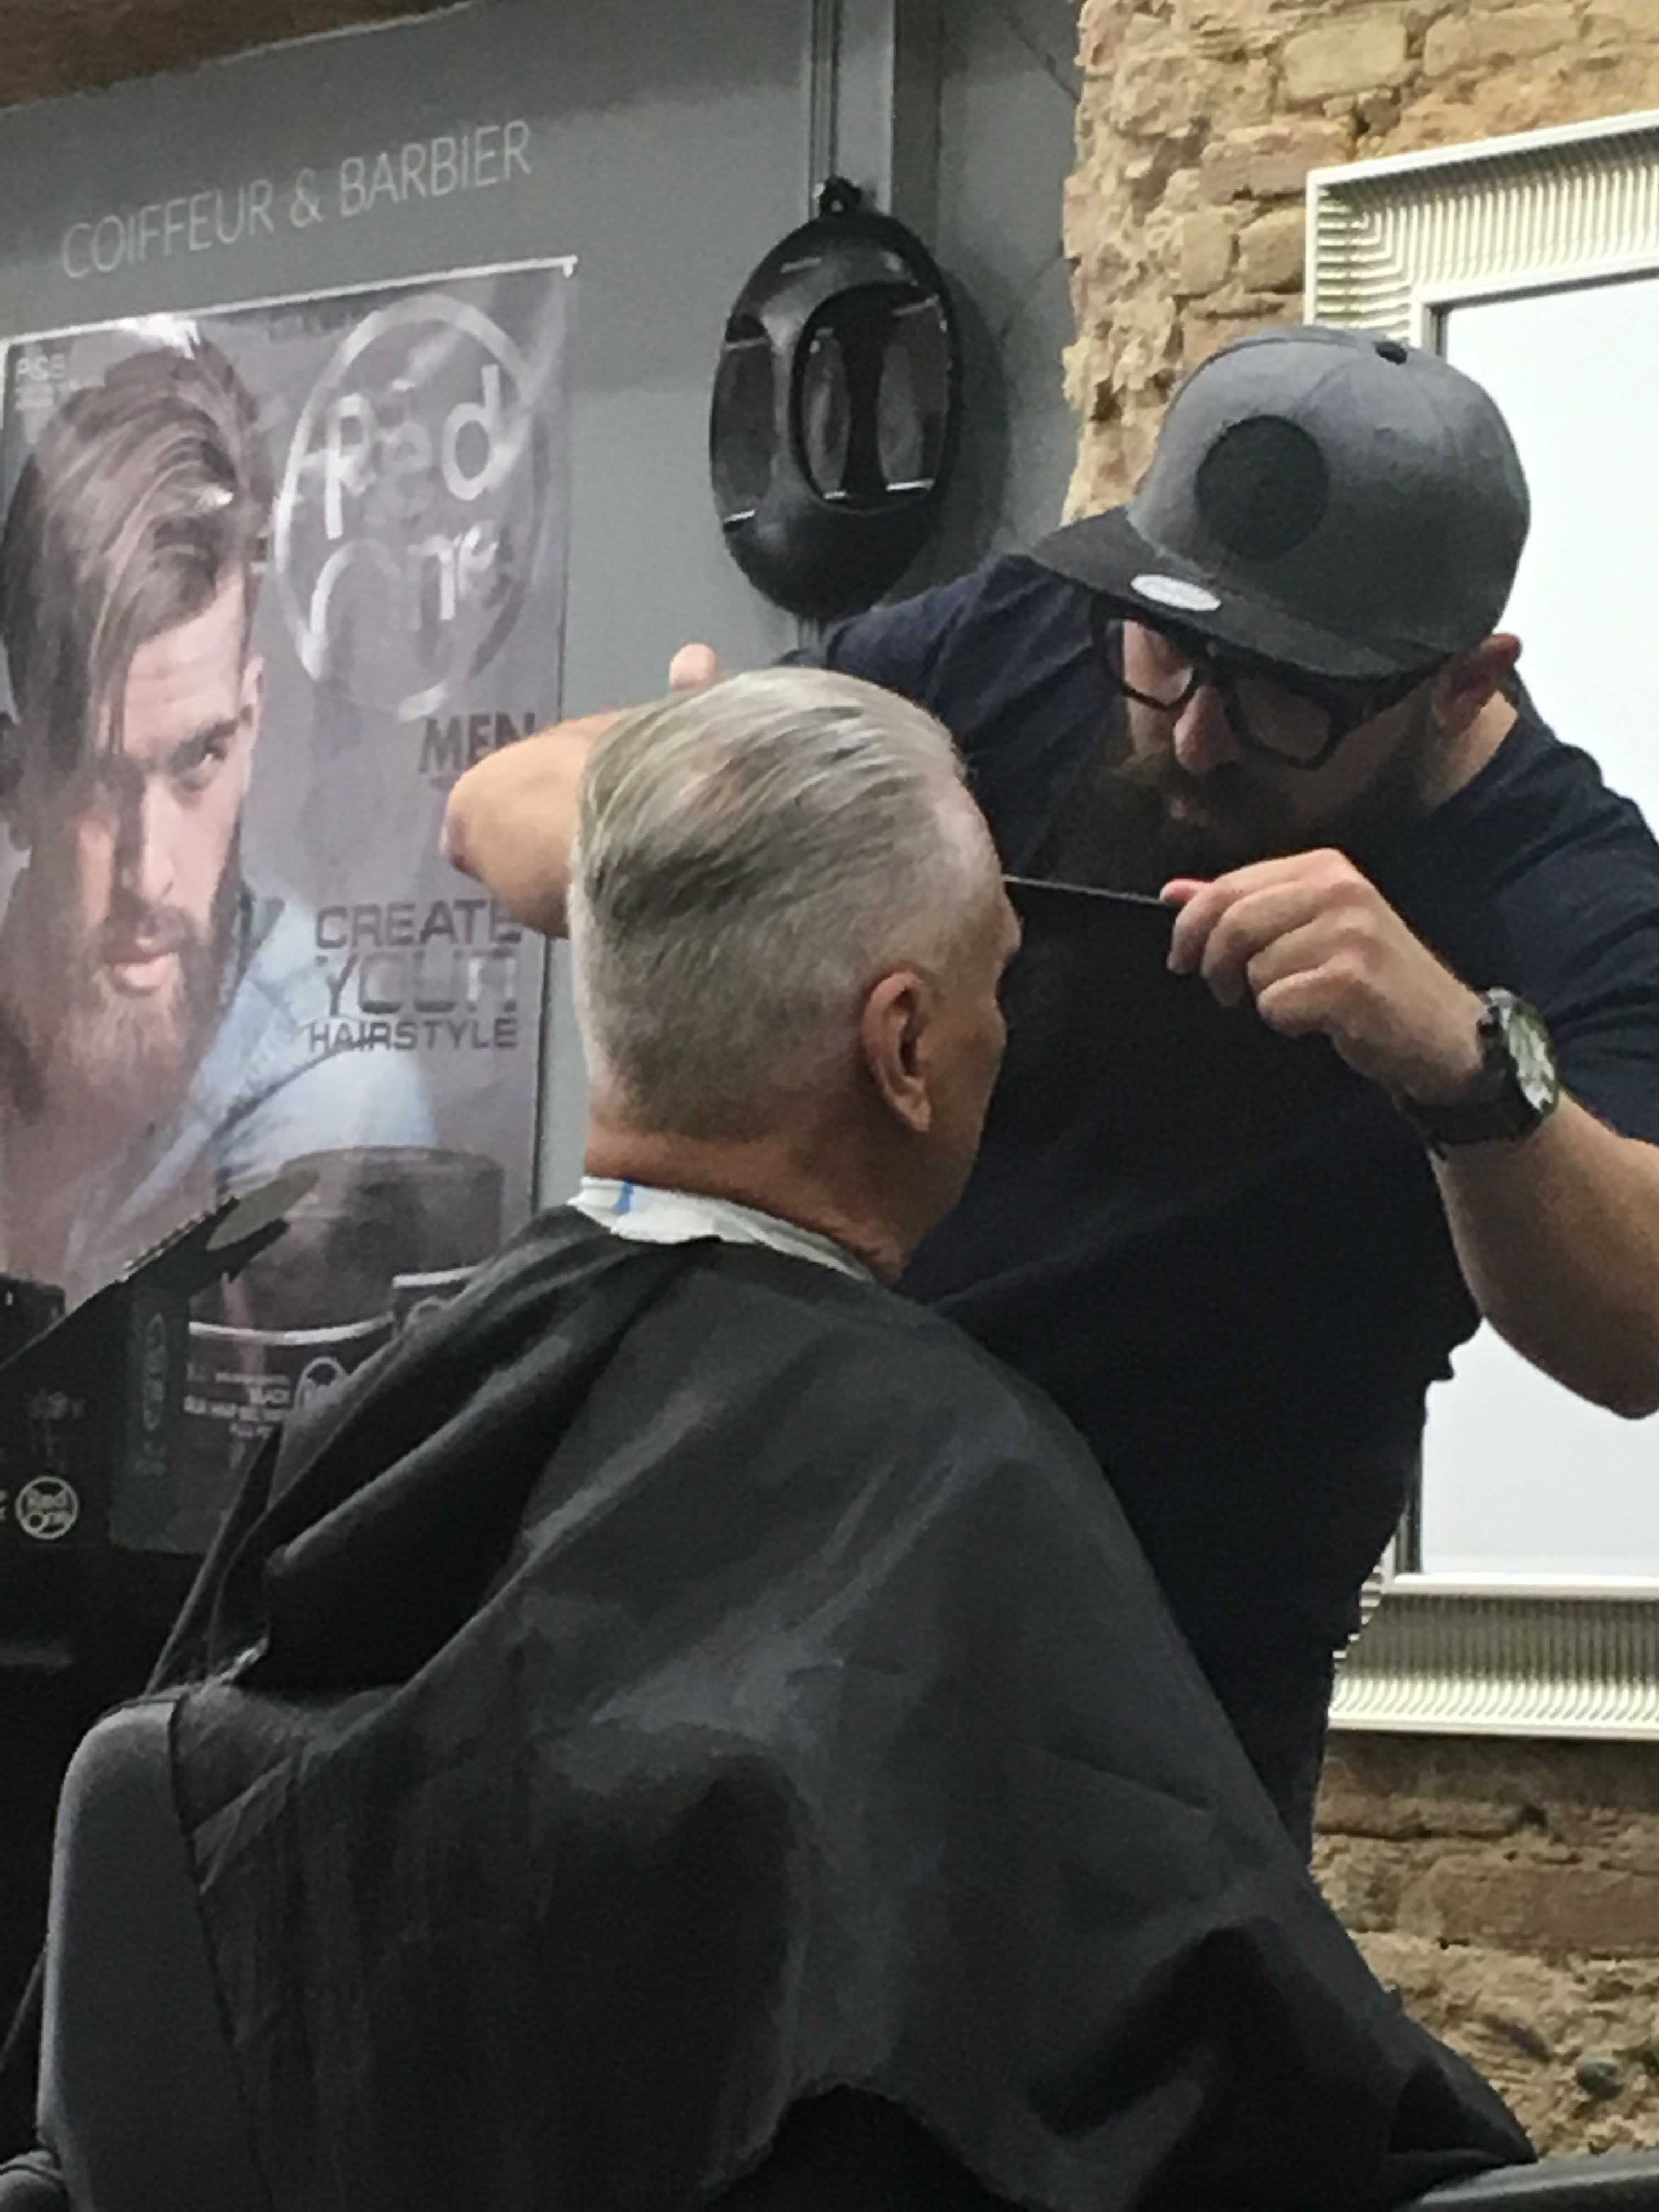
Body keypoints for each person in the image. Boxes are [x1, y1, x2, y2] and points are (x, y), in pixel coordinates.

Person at [112, 668, 1527, 2211]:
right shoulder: (965, 1489)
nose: (1005, 1030)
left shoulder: (361, 1440)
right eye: (999, 984)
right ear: (903, 1046)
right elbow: (1284, 2094)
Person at [442, 325, 1659, 1849]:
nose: (1197, 731)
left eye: (1286, 696)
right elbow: (499, 814)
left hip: (1141, 1750)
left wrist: (1466, 1071)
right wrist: (704, 836)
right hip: (773, 1603)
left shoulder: (1566, 891)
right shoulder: (1024, 639)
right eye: (1170, 655)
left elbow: (1639, 1335)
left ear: (1462, 683)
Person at [0, 335, 434, 1306]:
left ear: (250, 723)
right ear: (14, 780)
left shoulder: (333, 1094)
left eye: (197, 758)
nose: (148, 870)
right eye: (98, 779)